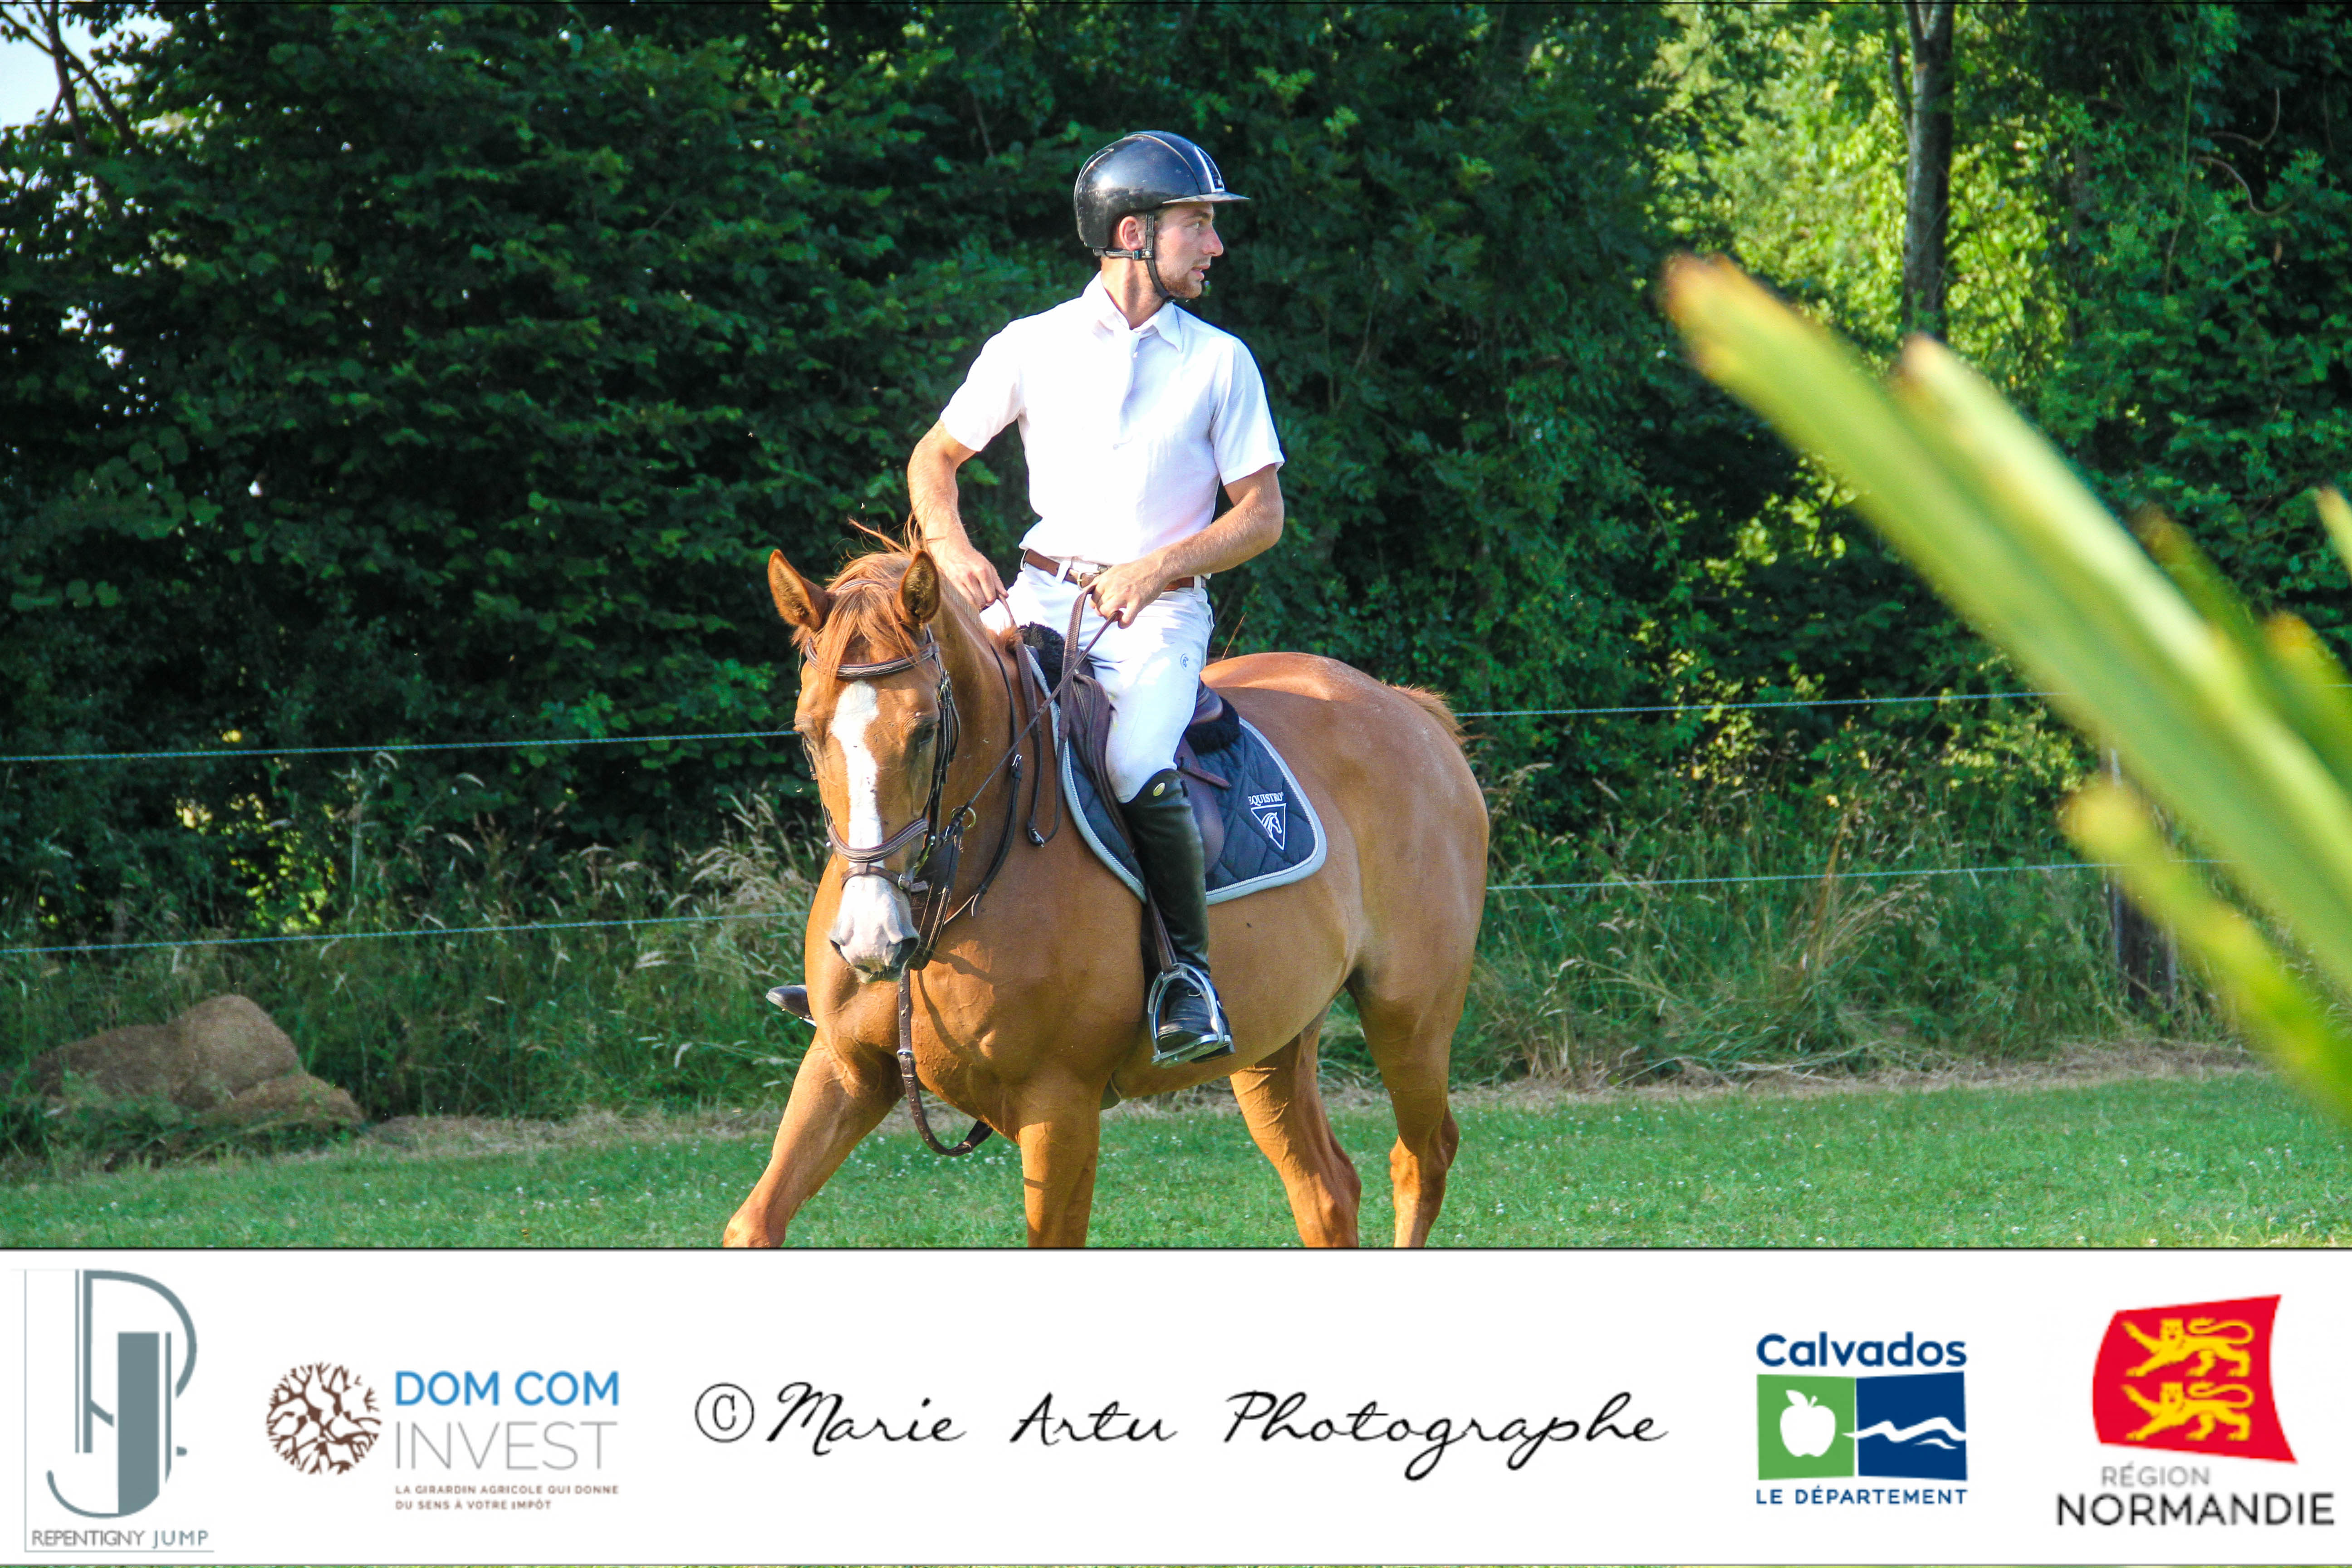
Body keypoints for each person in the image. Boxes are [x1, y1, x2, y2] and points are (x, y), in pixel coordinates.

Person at [905, 130, 1286, 1065]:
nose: (1216, 245)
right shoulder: (1029, 345)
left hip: (1159, 617)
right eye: (1198, 224)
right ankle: (873, 954)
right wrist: (951, 548)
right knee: (923, 719)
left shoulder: (1221, 362)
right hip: (1036, 596)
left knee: (1132, 759)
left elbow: (1262, 516)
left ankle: (1186, 978)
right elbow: (935, 459)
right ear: (1132, 234)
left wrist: (1153, 570)